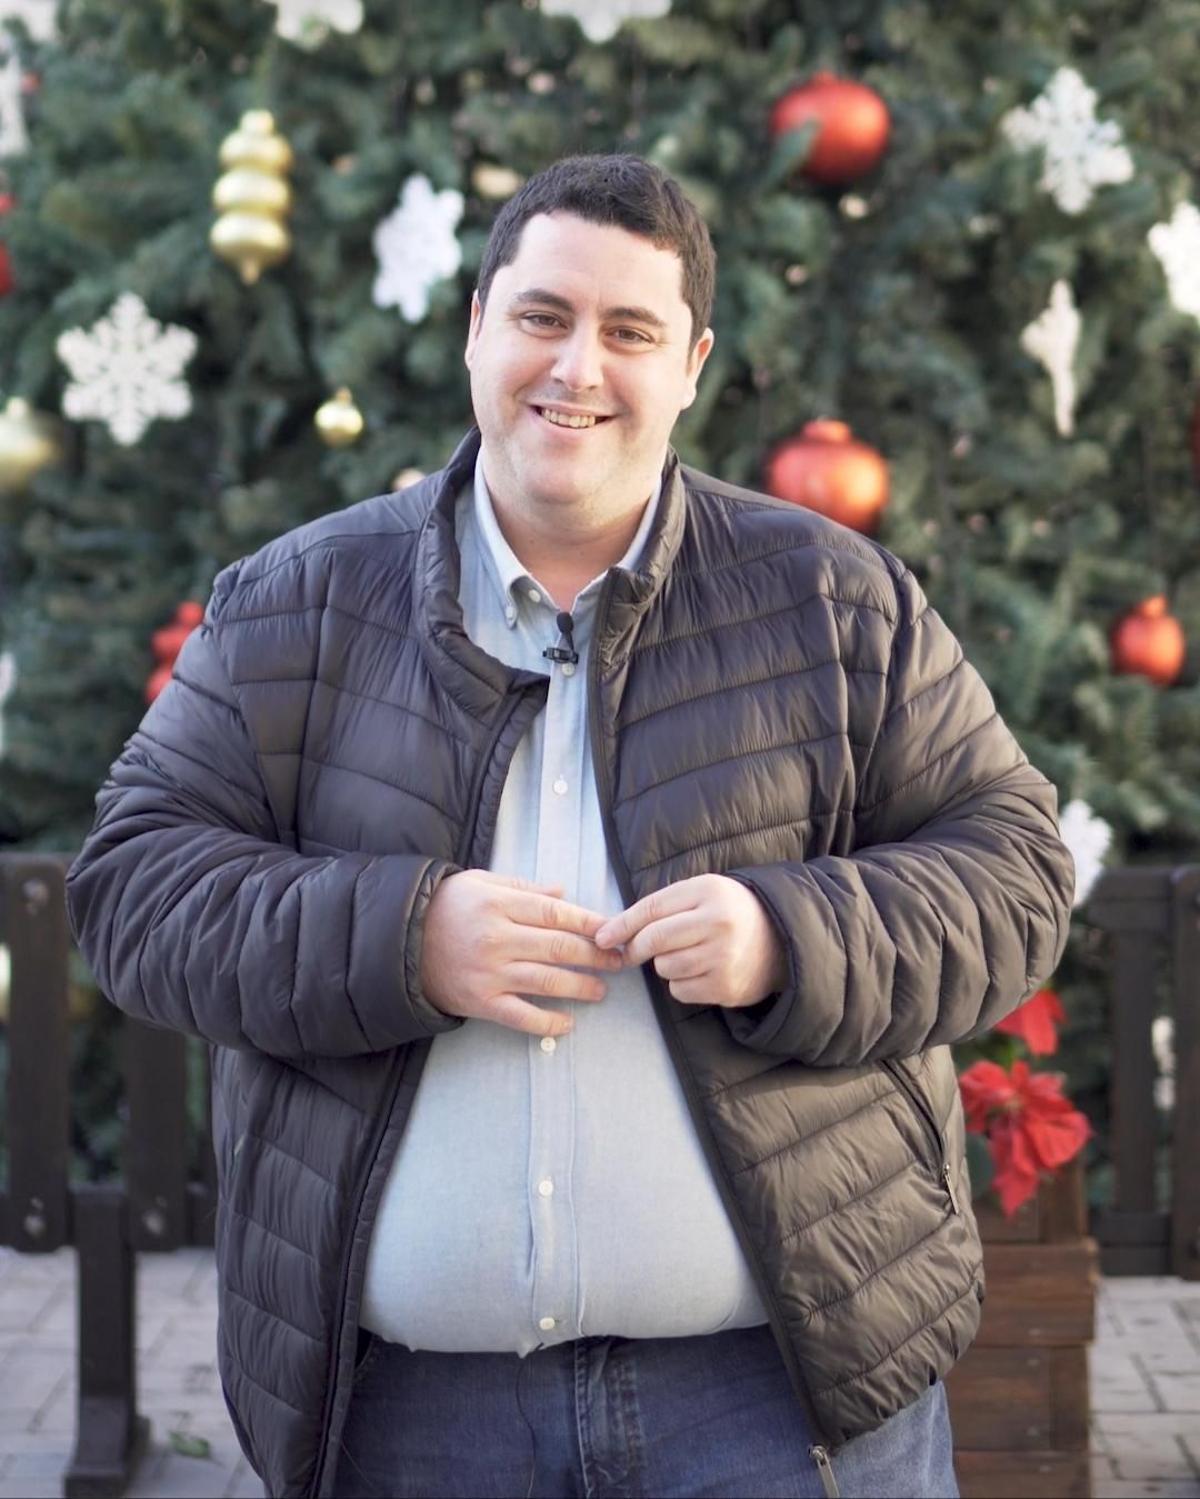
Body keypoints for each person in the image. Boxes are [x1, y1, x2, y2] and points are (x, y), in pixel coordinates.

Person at [66, 152, 1075, 1499]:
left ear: (694, 365)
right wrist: (407, 940)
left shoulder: (839, 603)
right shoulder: (294, 604)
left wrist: (791, 934)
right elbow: (132, 888)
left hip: (786, 1408)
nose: (577, 368)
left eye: (630, 331)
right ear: (478, 325)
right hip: (406, 1416)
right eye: (542, 316)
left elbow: (1015, 874)